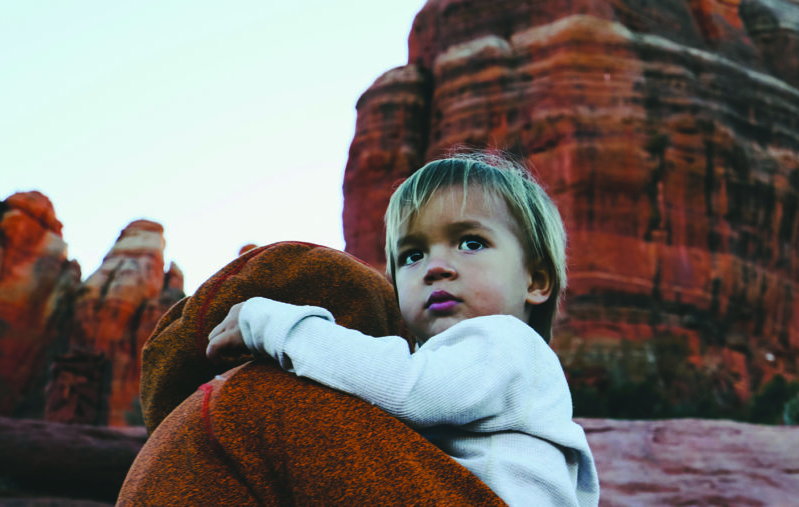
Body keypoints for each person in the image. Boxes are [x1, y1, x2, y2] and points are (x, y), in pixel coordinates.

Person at [207, 152, 600, 506]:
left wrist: (274, 326)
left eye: (471, 242)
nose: (435, 267)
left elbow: (409, 388)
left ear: (535, 281)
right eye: (412, 255)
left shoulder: (507, 341)